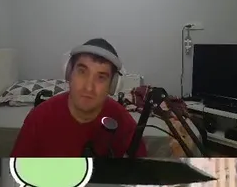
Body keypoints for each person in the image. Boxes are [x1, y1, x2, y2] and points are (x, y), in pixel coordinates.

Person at [11, 38, 146, 158]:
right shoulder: (39, 118)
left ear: (113, 85)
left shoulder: (123, 121)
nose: (89, 87)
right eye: (82, 72)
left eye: (101, 77)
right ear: (69, 73)